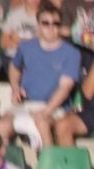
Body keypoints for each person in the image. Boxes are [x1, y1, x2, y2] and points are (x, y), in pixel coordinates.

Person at [6, 4, 81, 147]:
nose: (51, 28)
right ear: (38, 25)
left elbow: (65, 88)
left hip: (55, 107)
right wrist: (15, 87)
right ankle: (3, 168)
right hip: (27, 104)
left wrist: (46, 112)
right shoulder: (25, 47)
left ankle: (50, 163)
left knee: (42, 123)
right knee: (1, 127)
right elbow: (14, 68)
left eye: (56, 23)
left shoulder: (71, 53)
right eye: (45, 23)